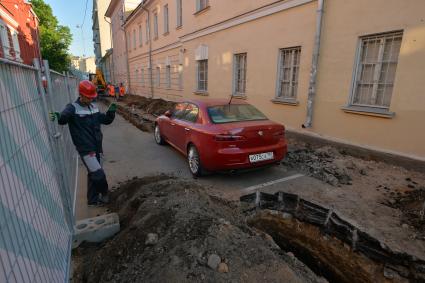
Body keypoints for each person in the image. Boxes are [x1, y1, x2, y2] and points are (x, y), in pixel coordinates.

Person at [49, 80, 117, 206]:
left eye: (92, 97)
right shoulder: (73, 108)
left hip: (97, 146)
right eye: (88, 97)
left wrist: (111, 112)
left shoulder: (93, 107)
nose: (91, 100)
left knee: (93, 174)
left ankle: (92, 200)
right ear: (81, 94)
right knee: (98, 174)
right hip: (86, 148)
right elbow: (64, 118)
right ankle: (105, 193)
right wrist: (59, 117)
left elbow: (105, 120)